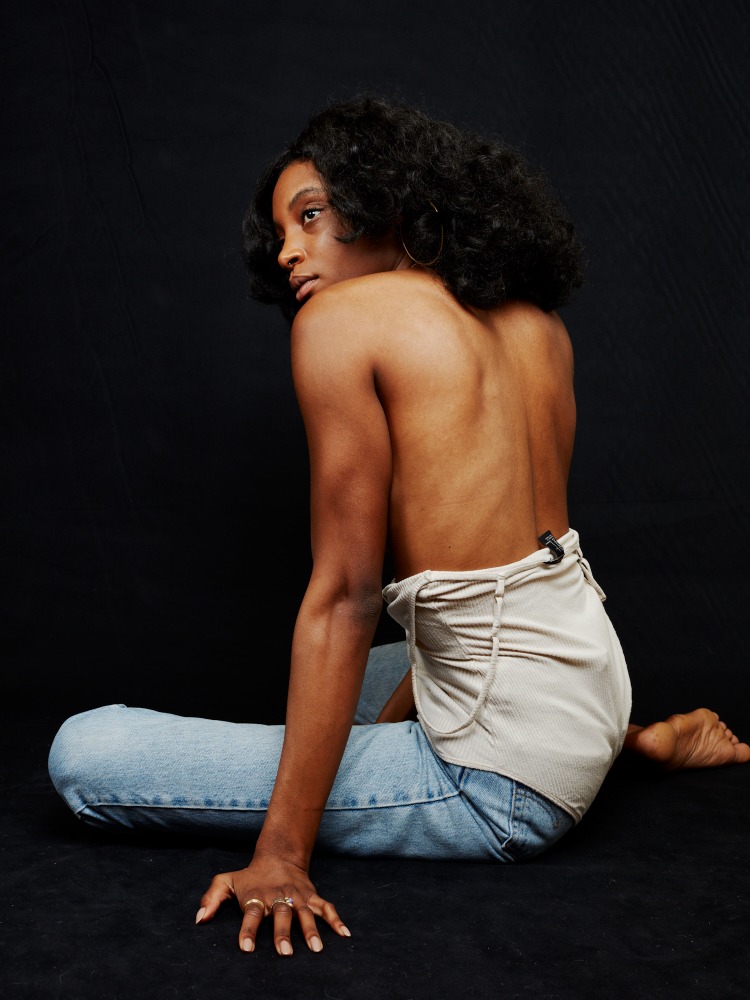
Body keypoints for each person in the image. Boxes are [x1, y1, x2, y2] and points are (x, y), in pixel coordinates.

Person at [48, 94, 750, 959]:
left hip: (501, 791)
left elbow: (347, 597)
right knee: (350, 677)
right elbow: (491, 584)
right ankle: (627, 742)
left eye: (311, 216)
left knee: (86, 753)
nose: (289, 251)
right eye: (281, 233)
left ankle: (562, 760)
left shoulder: (341, 324)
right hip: (590, 687)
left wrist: (281, 854)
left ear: (385, 199)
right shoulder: (539, 325)